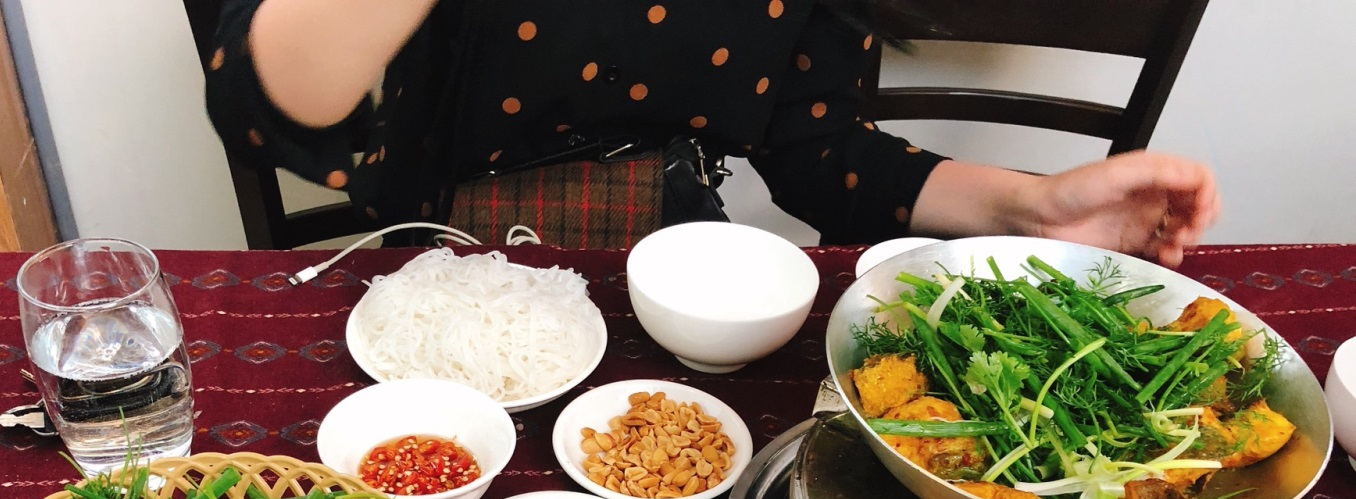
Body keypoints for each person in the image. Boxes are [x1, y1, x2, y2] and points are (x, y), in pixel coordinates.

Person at [204, 0, 1219, 264]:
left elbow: (819, 151)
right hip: (444, 260)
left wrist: (1032, 208)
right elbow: (272, 104)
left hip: (673, 253)